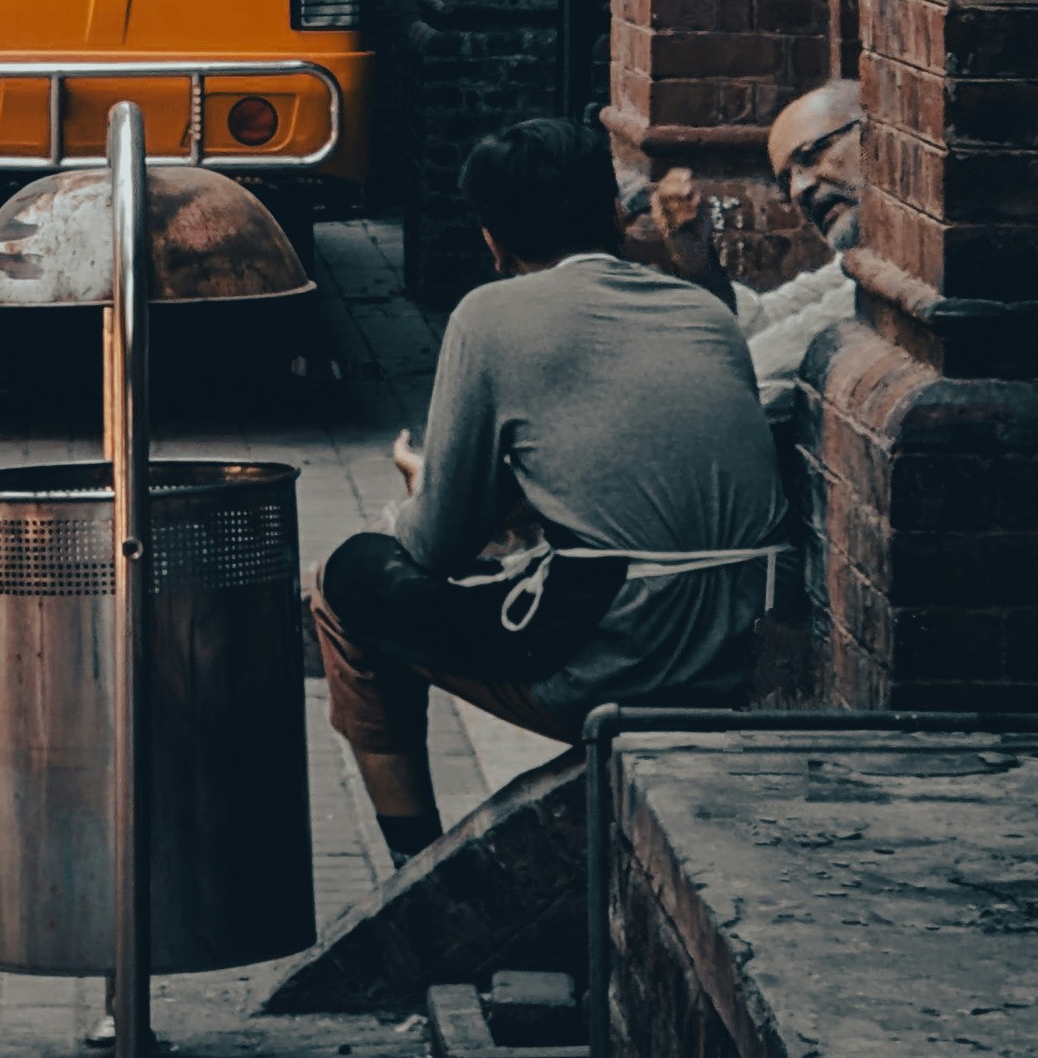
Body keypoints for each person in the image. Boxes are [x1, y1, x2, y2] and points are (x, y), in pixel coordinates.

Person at [309, 116, 787, 859]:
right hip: (739, 642)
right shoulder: (703, 309)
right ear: (611, 215)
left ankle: (413, 867)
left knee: (344, 583)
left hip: (621, 655)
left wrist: (423, 490)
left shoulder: (491, 314)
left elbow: (434, 545)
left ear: (492, 238)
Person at [650, 77, 862, 389]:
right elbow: (764, 319)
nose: (798, 190)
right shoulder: (851, 266)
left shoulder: (903, 269)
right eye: (786, 179)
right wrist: (700, 264)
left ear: (878, 134)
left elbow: (748, 373)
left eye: (809, 156)